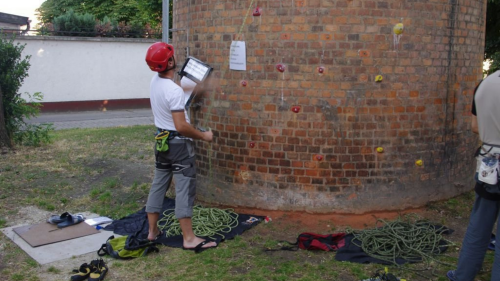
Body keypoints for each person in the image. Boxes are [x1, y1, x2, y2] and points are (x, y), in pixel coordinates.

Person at [144, 42, 217, 252]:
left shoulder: (155, 81)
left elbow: (170, 92)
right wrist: (204, 136)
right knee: (184, 189)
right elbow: (182, 126)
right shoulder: (173, 91)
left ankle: (152, 231)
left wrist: (197, 86)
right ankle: (189, 238)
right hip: (178, 146)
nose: (175, 57)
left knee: (159, 185)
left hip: (161, 142)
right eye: (172, 56)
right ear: (169, 62)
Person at [447, 70, 500, 280]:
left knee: (479, 225)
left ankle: (462, 275)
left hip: (488, 163)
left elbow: (474, 126)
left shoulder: (485, 84)